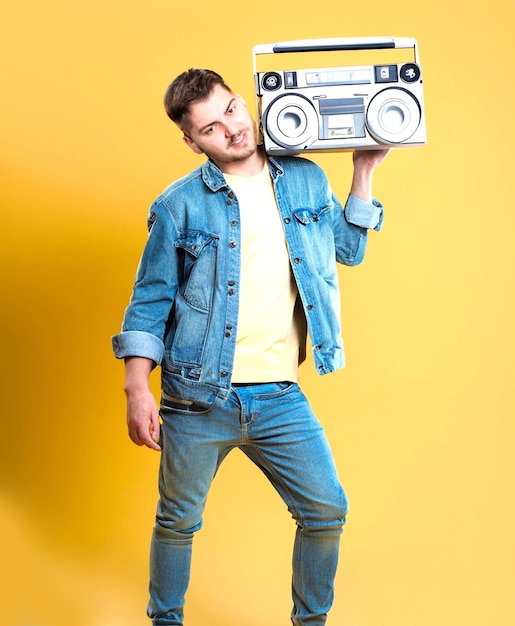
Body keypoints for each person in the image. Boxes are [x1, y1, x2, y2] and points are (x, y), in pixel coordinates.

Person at [112, 68, 389, 626]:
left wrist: (363, 171)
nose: (234, 130)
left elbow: (348, 251)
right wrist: (136, 386)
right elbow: (148, 303)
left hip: (279, 396)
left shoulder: (306, 179)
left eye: (234, 110)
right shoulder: (177, 206)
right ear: (192, 142)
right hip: (197, 399)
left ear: (247, 102)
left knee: (326, 511)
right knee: (178, 522)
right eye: (212, 128)